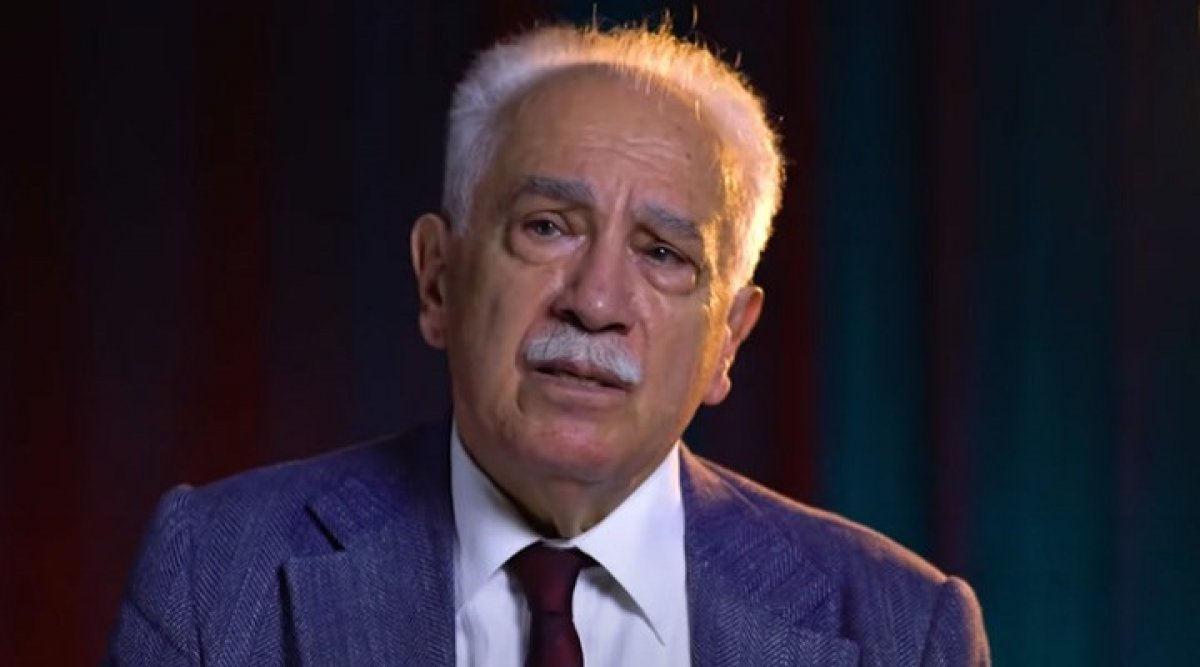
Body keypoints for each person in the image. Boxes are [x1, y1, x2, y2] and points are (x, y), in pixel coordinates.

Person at [106, 23, 989, 666]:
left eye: (663, 253)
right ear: (438, 279)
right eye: (547, 226)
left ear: (728, 339)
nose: (596, 302)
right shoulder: (214, 574)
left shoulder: (903, 631)